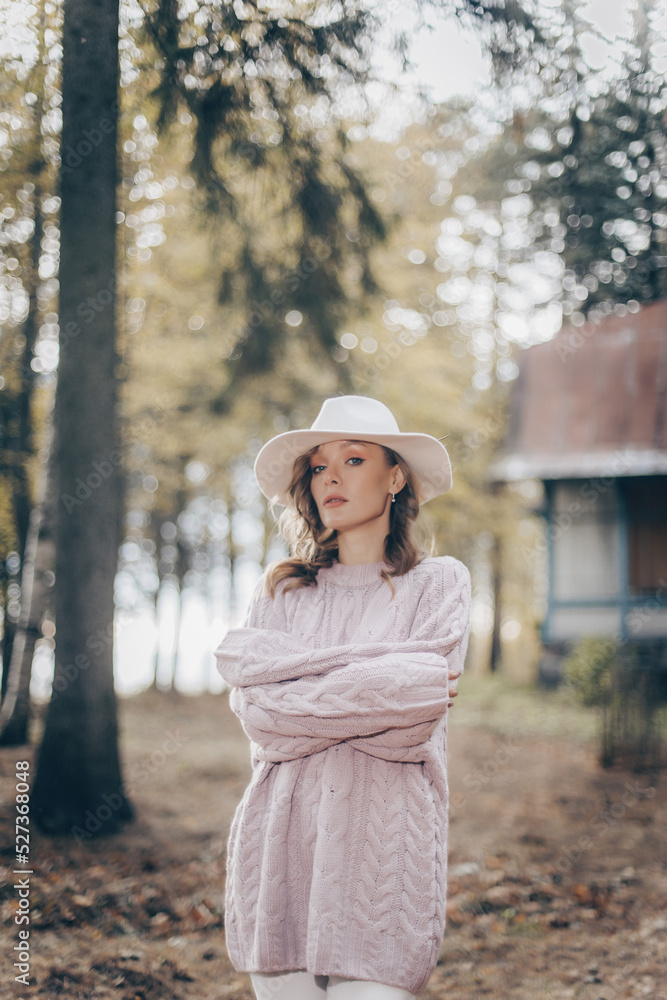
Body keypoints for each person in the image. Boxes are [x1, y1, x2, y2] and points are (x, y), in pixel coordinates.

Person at [214, 395, 471, 1000]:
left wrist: (292, 680)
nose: (330, 475)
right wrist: (384, 677)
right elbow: (262, 721)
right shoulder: (281, 591)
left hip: (387, 865)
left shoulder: (440, 584)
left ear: (396, 477)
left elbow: (414, 712)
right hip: (278, 858)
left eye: (354, 459)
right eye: (319, 465)